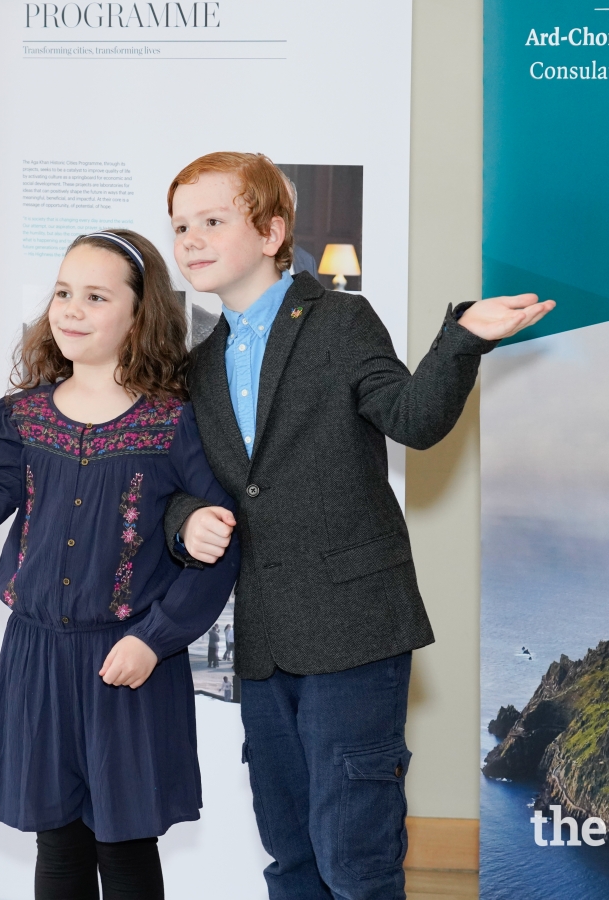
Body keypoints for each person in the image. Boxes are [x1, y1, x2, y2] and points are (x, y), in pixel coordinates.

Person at [161, 152, 553, 900]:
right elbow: (191, 487)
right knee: (292, 859)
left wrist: (464, 339)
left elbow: (414, 419)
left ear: (274, 231)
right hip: (265, 645)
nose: (192, 238)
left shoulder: (339, 320)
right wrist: (186, 523)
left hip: (355, 631)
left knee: (355, 863)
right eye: (181, 225)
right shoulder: (200, 365)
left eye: (213, 220)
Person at [0, 228, 239, 900]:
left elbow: (216, 553)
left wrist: (152, 641)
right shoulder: (22, 416)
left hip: (129, 664)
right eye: (64, 292)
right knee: (59, 844)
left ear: (139, 316)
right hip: (36, 656)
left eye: (95, 296)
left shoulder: (173, 424)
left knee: (125, 849)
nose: (71, 308)